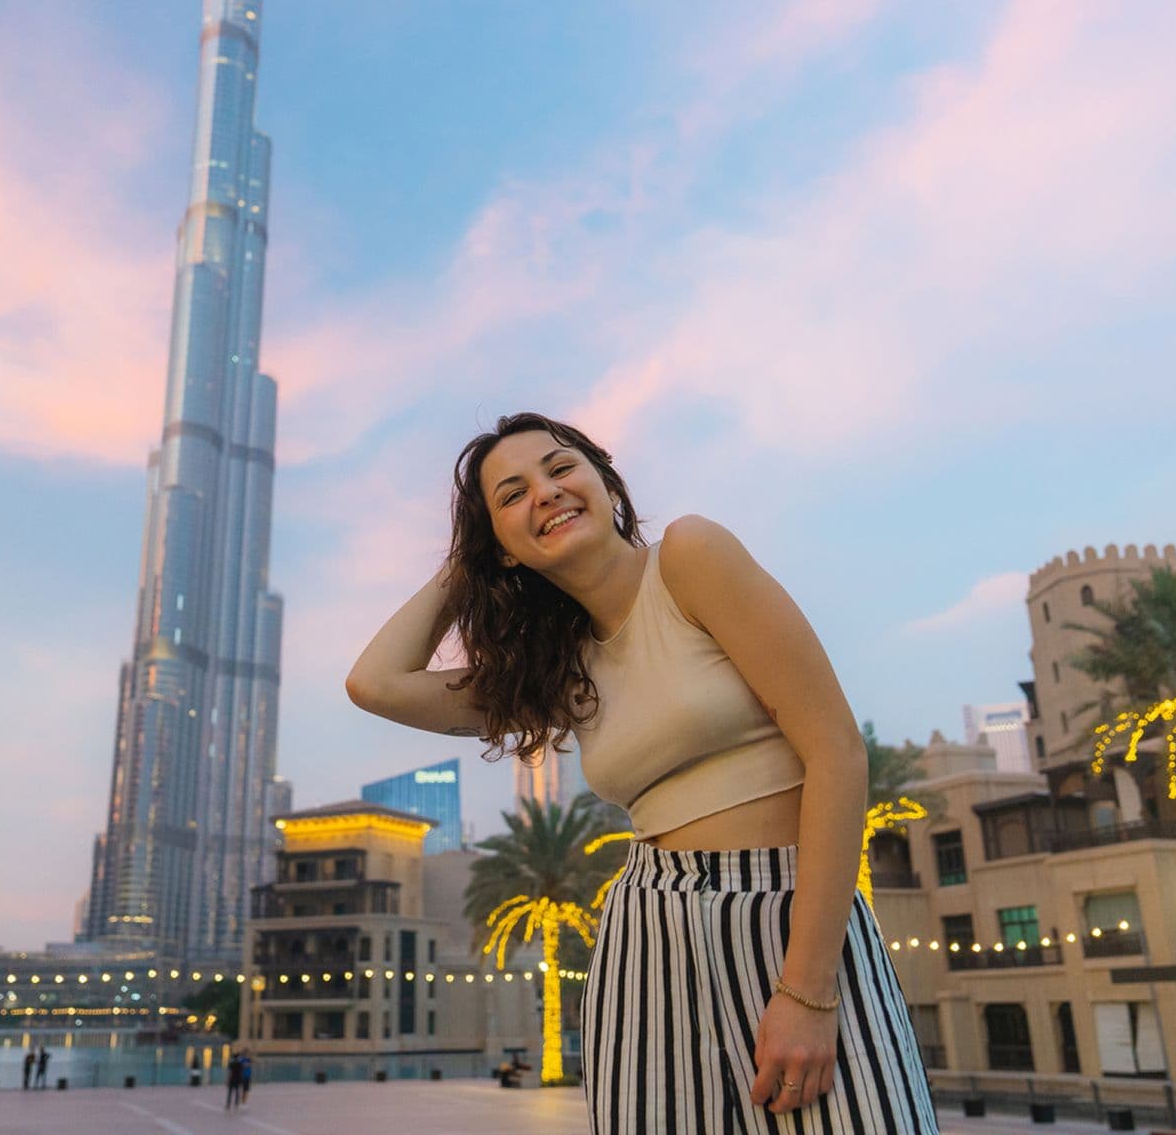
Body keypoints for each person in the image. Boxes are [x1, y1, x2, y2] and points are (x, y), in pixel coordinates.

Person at [347, 412, 938, 1133]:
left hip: (791, 907)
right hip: (649, 935)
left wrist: (808, 991)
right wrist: (469, 560)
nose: (546, 492)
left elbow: (836, 751)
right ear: (501, 548)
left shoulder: (690, 558)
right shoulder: (558, 672)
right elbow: (376, 684)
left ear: (605, 481)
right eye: (513, 494)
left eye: (560, 468)